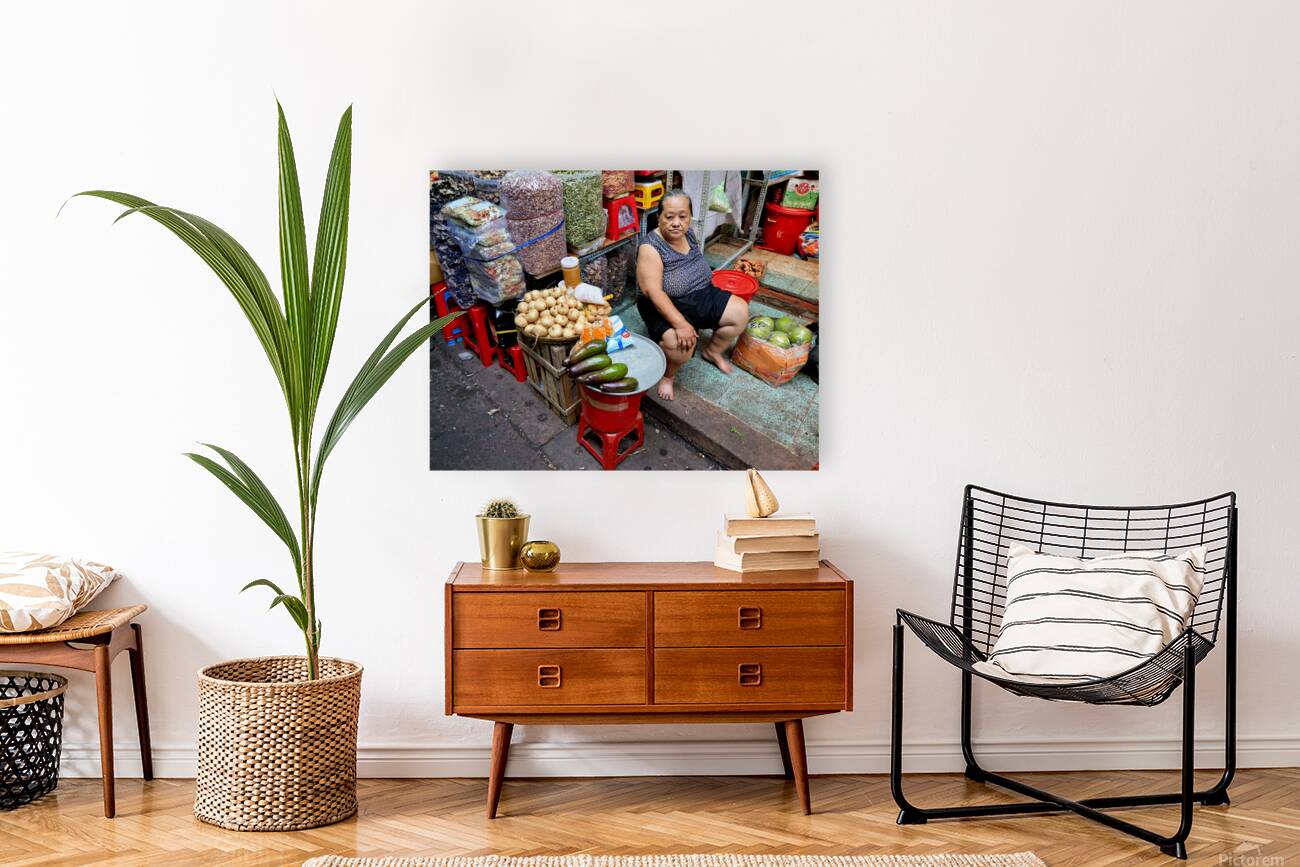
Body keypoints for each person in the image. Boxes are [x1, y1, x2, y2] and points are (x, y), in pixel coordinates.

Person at [636, 190, 749, 400]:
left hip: (699, 293)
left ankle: (712, 351)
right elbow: (652, 291)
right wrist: (681, 324)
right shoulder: (650, 248)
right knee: (681, 346)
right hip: (662, 302)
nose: (676, 223)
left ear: (689, 217)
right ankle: (668, 376)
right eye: (669, 217)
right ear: (659, 217)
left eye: (683, 216)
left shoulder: (688, 232)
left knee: (740, 312)